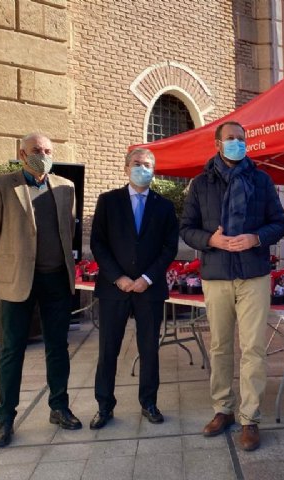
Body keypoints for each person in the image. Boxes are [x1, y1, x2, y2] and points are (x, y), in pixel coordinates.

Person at [180, 121, 284, 451]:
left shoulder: (261, 180)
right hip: (216, 274)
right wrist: (210, 239)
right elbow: (186, 228)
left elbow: (279, 223)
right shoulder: (200, 184)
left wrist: (257, 237)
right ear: (217, 144)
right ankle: (223, 409)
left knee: (254, 348)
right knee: (221, 347)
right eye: (231, 139)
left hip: (253, 274)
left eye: (242, 140)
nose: (237, 144)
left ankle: (250, 418)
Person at [0, 133, 81, 447]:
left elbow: (70, 228)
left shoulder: (66, 187)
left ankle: (59, 407)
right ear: (21, 154)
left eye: (48, 150)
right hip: (18, 281)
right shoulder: (0, 186)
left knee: (57, 347)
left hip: (56, 280)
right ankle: (5, 419)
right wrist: (10, 263)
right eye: (37, 150)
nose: (43, 154)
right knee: (12, 351)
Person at [89, 148, 179, 429]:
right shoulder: (108, 201)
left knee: (150, 349)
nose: (143, 168)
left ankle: (149, 403)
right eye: (138, 164)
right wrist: (119, 277)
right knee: (108, 350)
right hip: (114, 288)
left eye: (149, 165)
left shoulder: (163, 206)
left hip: (148, 290)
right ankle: (104, 406)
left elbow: (169, 248)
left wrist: (147, 278)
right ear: (126, 168)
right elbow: (98, 244)